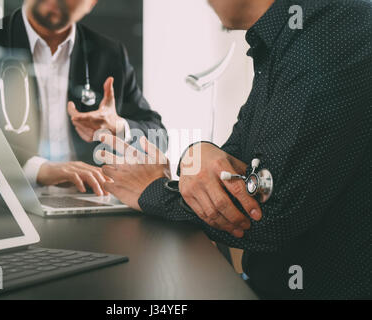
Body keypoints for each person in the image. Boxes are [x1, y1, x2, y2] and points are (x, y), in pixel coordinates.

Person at [96, 0, 372, 299]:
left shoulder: (333, 29)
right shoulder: (285, 38)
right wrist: (196, 151)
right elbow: (236, 162)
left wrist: (154, 190)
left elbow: (270, 215)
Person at [0, 0, 166, 196]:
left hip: (89, 201)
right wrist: (38, 170)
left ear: (91, 3)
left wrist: (119, 127)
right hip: (1, 200)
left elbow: (158, 136)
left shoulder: (109, 53)